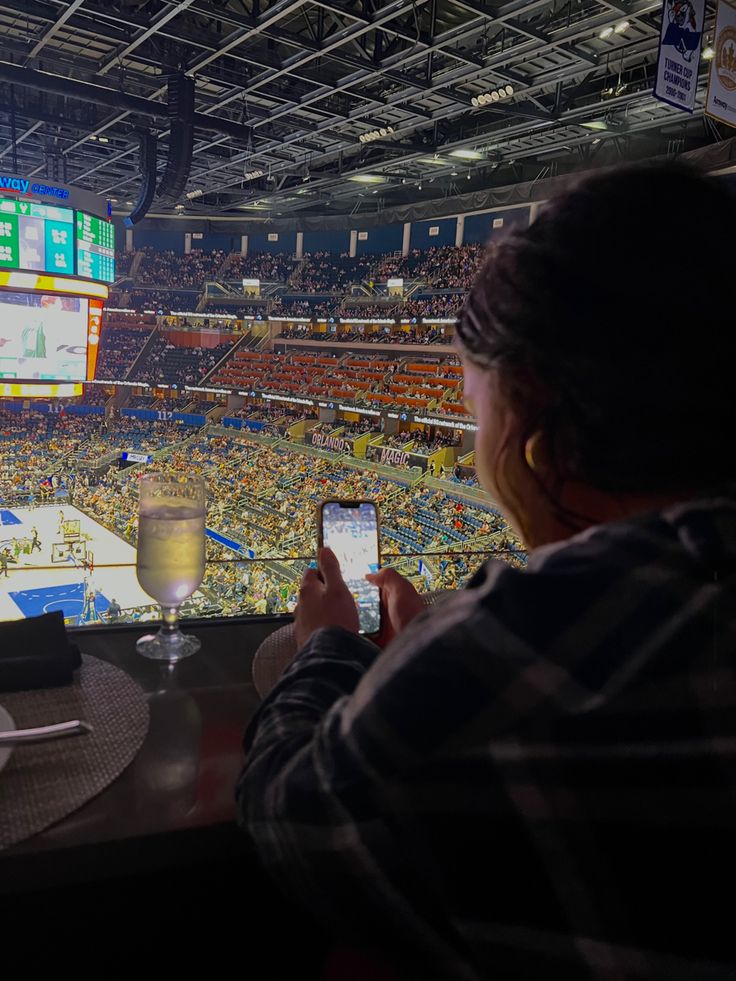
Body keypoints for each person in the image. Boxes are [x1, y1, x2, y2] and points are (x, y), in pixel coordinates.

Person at [236, 164, 736, 981]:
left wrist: (326, 650)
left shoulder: (519, 638)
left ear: (535, 419)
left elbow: (290, 820)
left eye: (478, 408)